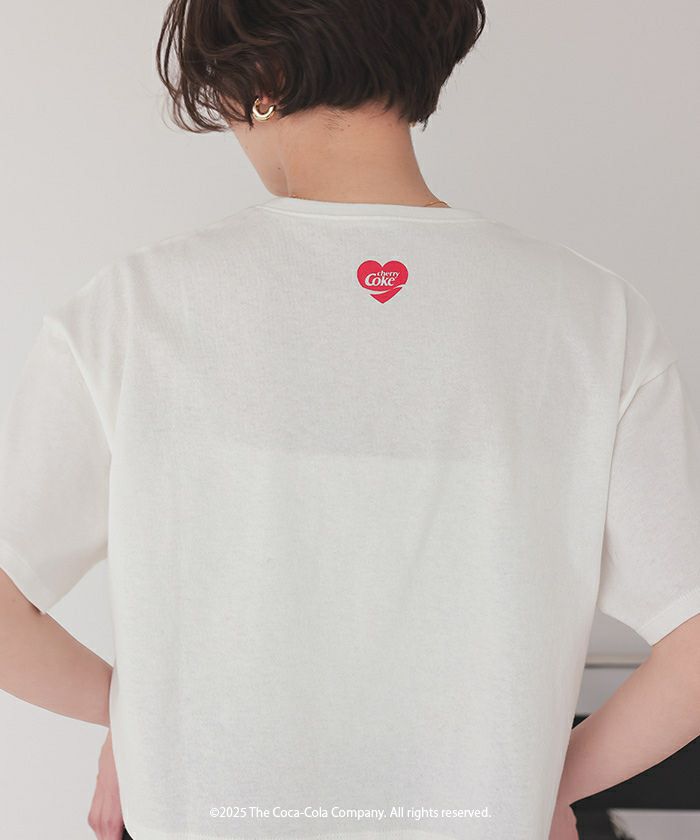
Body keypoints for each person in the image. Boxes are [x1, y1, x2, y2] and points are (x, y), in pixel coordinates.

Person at [1, 1, 700, 839]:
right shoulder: (595, 318)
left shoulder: (131, 310)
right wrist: (545, 782)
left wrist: (139, 720)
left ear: (260, 77)